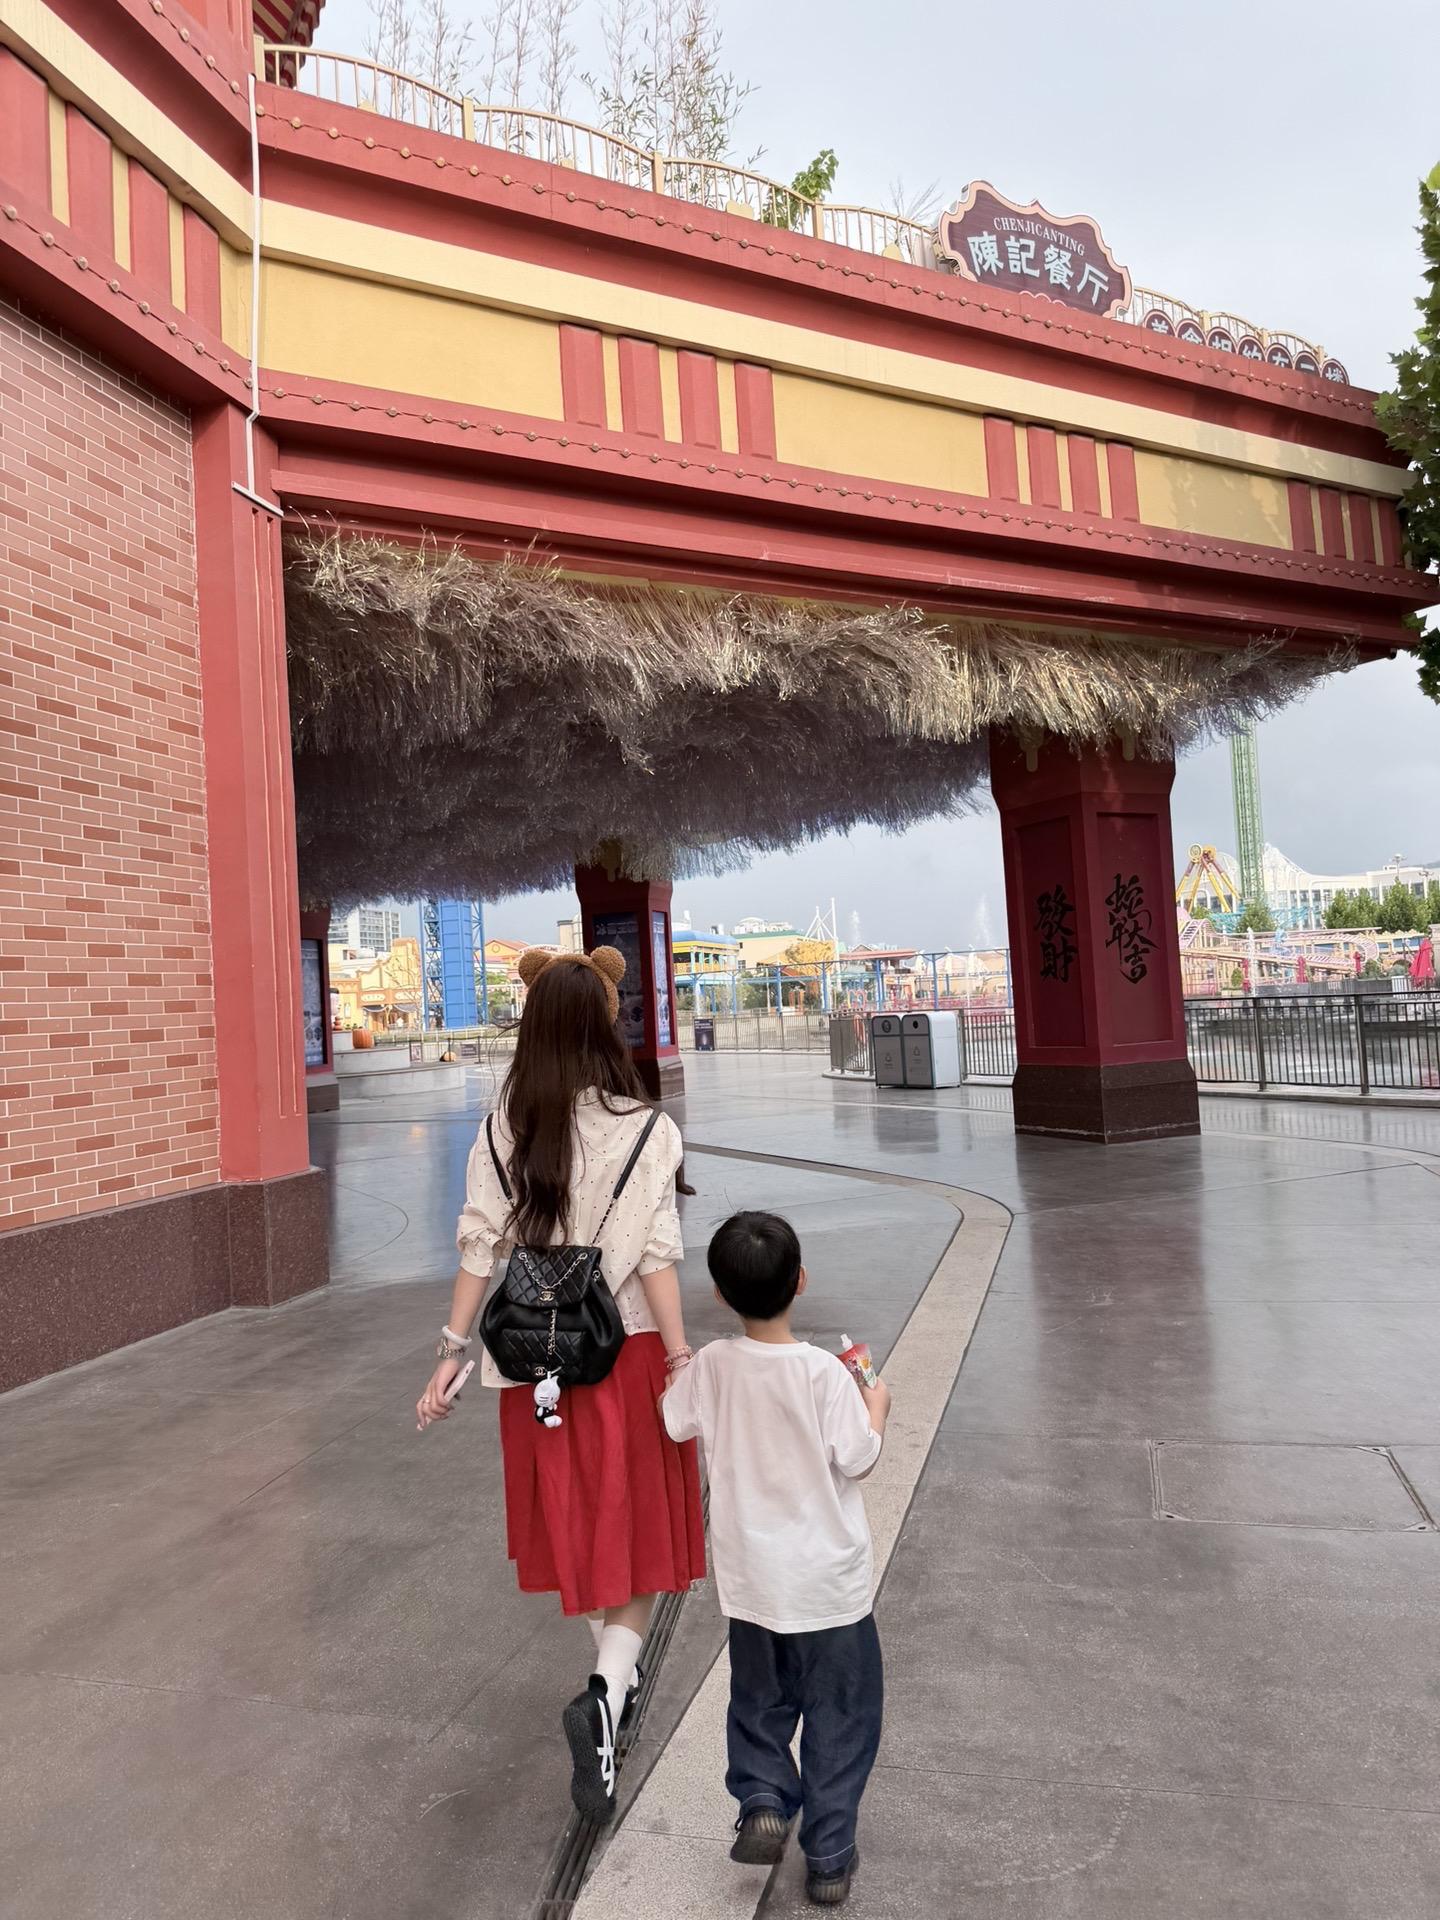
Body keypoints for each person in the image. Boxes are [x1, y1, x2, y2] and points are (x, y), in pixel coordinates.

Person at [416, 945, 704, 1825]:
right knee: (638, 1532)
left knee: (579, 1525)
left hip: (531, 1366)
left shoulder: (502, 1128)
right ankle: (607, 1691)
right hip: (627, 1353)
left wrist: (450, 1351)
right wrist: (683, 1358)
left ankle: (612, 1680)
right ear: (605, 1027)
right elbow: (656, 1258)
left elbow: (478, 1246)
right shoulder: (648, 1129)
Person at [662, 1211, 891, 1908]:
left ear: (719, 1295)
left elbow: (673, 1419)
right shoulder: (825, 1374)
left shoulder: (713, 1366)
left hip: (753, 1585)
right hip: (830, 1590)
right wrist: (876, 1405)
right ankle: (828, 1856)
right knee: (842, 1715)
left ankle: (763, 1797)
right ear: (801, 1281)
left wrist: (682, 1363)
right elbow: (859, 1458)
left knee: (759, 1703)